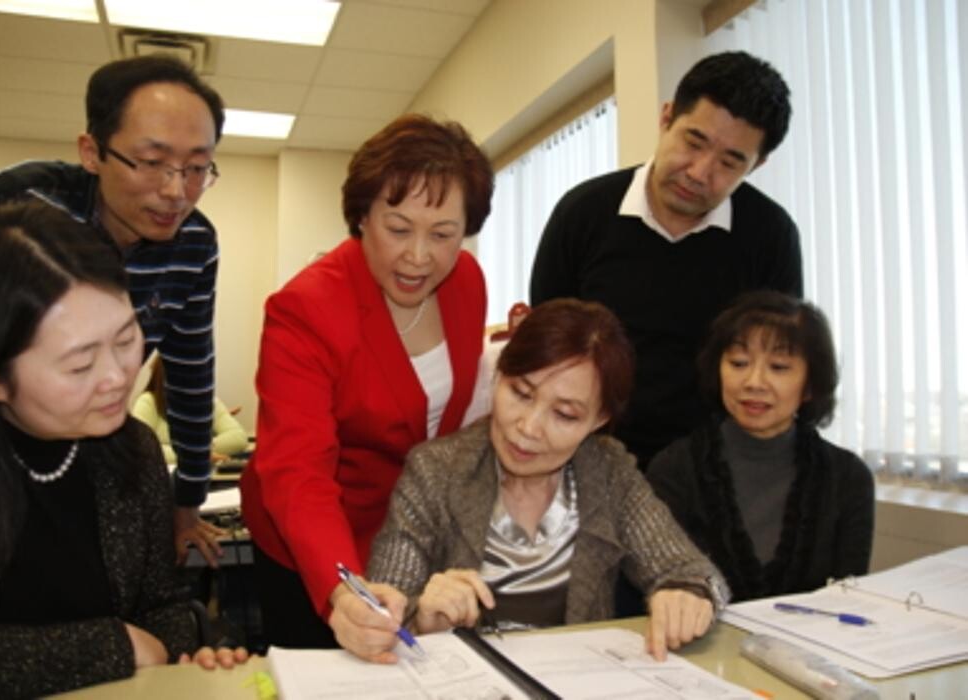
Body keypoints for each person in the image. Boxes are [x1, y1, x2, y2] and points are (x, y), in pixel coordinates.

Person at [0, 203, 247, 699]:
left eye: (125, 339)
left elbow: (161, 604)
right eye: (79, 365)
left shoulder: (131, 447)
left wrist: (188, 653)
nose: (117, 377)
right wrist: (116, 646)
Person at [330, 299, 730, 664]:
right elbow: (384, 602)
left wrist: (689, 593)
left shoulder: (608, 472)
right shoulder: (436, 470)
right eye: (520, 393)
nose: (529, 427)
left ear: (599, 420)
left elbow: (691, 570)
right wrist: (417, 619)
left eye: (566, 415)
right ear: (498, 375)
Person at [239, 114, 493, 649]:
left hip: (406, 533)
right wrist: (342, 587)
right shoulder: (306, 309)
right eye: (397, 229)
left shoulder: (465, 282)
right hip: (313, 541)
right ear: (360, 217)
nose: (419, 257)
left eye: (443, 234)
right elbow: (297, 471)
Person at [0, 55, 226, 565]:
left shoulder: (194, 242)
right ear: (92, 152)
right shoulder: (25, 205)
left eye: (197, 167)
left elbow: (191, 374)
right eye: (152, 162)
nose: (176, 191)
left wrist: (187, 501)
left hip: (92, 439)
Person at [530, 51, 802, 469]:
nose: (699, 171)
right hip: (587, 461)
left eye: (730, 162)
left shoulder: (770, 236)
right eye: (693, 142)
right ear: (667, 117)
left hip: (712, 475)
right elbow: (546, 352)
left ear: (757, 164)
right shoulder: (583, 213)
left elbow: (776, 365)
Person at [646, 290, 875, 602]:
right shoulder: (674, 469)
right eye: (739, 363)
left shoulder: (848, 478)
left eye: (778, 367)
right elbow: (661, 583)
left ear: (810, 385)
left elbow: (848, 596)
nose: (753, 382)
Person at [133, 356, 249, 465]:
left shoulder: (208, 401)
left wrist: (200, 451)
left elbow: (238, 437)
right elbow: (142, 448)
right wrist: (195, 455)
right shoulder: (147, 402)